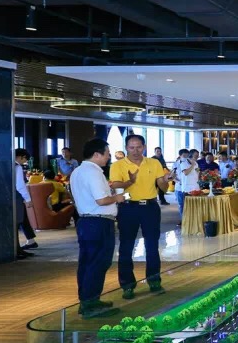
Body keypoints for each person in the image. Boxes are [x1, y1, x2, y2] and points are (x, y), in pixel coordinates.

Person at [109, 134, 172, 297]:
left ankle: (154, 281)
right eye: (131, 147)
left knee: (152, 246)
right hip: (128, 207)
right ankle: (127, 285)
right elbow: (115, 185)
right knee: (126, 247)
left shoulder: (154, 163)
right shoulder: (117, 165)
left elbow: (163, 188)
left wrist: (165, 180)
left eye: (138, 147)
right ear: (126, 148)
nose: (135, 151)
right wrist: (130, 181)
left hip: (150, 207)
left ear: (144, 147)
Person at [70, 138, 126, 318]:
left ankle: (88, 300)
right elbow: (101, 200)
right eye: (107, 154)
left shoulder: (78, 171)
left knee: (87, 262)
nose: (109, 157)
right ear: (96, 154)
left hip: (87, 222)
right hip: (98, 223)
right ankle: (90, 304)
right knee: (98, 262)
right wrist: (118, 198)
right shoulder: (93, 172)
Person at [14, 149, 38, 257]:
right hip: (16, 197)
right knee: (17, 221)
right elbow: (20, 185)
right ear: (21, 157)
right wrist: (28, 199)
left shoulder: (6, 164)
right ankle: (17, 250)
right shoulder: (17, 167)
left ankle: (18, 248)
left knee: (19, 220)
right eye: (25, 160)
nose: (25, 162)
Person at [173, 149, 197, 217]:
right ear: (180, 155)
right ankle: (183, 220)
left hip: (188, 187)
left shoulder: (189, 163)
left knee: (188, 205)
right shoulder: (176, 164)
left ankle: (187, 219)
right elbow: (172, 176)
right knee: (181, 205)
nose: (186, 157)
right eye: (184, 156)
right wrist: (178, 182)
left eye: (187, 156)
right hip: (179, 187)